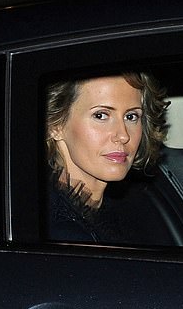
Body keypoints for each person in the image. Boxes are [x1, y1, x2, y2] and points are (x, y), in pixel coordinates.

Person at [45, 72, 169, 242]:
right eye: (101, 115)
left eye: (131, 117)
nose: (123, 135)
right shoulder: (59, 232)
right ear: (55, 125)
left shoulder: (128, 210)